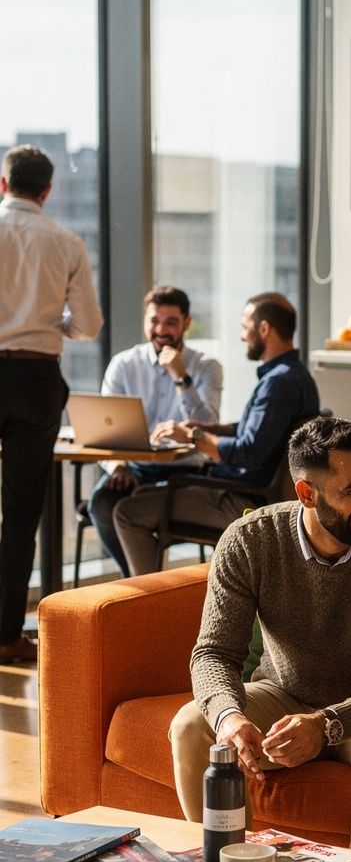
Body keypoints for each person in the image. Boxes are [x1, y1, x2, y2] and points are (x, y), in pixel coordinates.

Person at [169, 414, 351, 855]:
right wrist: (230, 718)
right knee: (191, 725)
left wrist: (327, 725)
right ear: (306, 493)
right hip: (285, 695)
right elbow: (213, 654)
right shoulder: (250, 541)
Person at [113, 292, 319, 576]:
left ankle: (150, 608)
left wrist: (194, 437)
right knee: (143, 494)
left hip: (243, 500)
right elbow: (253, 430)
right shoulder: (293, 376)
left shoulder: (278, 384)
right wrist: (204, 429)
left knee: (127, 512)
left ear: (263, 329)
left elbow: (248, 452)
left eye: (245, 327)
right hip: (248, 491)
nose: (242, 336)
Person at [0, 143, 103, 662]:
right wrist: (45, 324)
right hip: (36, 379)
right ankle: (5, 635)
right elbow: (87, 325)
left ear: (3, 184)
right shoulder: (65, 241)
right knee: (20, 512)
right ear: (47, 190)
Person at [87, 284, 223, 576]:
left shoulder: (206, 366)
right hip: (135, 470)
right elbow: (106, 430)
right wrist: (118, 466)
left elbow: (208, 422)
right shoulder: (123, 365)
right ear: (145, 321)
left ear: (186, 323)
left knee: (134, 511)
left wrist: (180, 376)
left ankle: (148, 591)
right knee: (101, 504)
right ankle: (142, 582)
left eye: (171, 322)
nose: (161, 329)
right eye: (154, 321)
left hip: (188, 473)